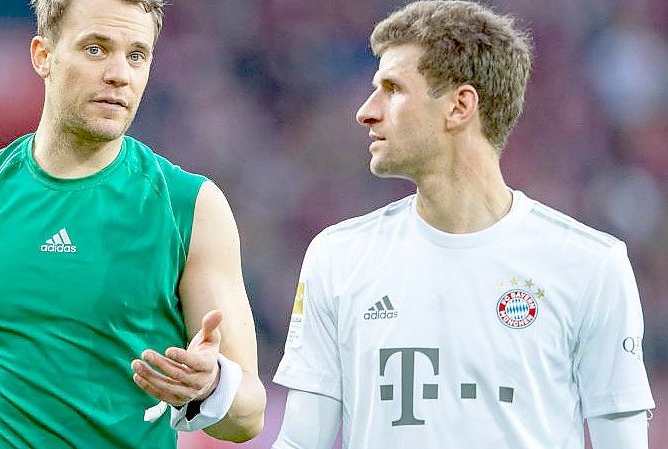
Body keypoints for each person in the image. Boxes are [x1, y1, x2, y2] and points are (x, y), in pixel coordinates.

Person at [0, 0, 266, 447]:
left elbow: (247, 415)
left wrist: (212, 387)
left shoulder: (191, 207)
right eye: (96, 49)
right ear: (44, 55)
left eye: (137, 55)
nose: (120, 73)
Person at [272, 1, 654, 448]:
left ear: (460, 106)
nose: (366, 111)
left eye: (392, 88)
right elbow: (301, 442)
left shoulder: (590, 266)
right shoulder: (337, 257)